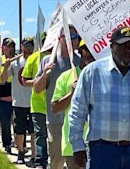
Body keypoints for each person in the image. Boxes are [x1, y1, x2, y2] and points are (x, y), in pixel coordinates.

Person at [69, 26, 130, 169]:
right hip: (102, 151)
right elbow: (77, 112)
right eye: (123, 46)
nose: (128, 50)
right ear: (112, 47)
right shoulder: (92, 73)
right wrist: (77, 146)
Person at [34, 25, 80, 169]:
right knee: (57, 161)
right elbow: (37, 88)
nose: (70, 41)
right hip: (56, 121)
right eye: (66, 37)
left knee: (77, 163)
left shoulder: (82, 61)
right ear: (59, 39)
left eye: (73, 37)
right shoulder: (48, 61)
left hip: (78, 121)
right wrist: (44, 74)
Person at [51, 39, 95, 169]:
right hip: (74, 143)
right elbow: (55, 108)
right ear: (81, 51)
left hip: (98, 142)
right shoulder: (66, 77)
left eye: (94, 50)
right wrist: (71, 94)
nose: (91, 54)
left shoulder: (103, 76)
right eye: (87, 49)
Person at [21, 32, 49, 169]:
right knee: (40, 135)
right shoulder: (33, 58)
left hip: (57, 104)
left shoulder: (63, 57)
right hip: (38, 104)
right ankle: (41, 161)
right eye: (45, 40)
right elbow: (24, 81)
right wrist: (39, 81)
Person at [9, 37, 36, 165]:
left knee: (33, 130)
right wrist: (4, 66)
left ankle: (34, 156)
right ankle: (20, 152)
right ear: (22, 46)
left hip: (34, 102)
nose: (28, 48)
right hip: (19, 101)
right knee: (19, 130)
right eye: (26, 45)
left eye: (30, 45)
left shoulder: (37, 61)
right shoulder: (15, 63)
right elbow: (4, 78)